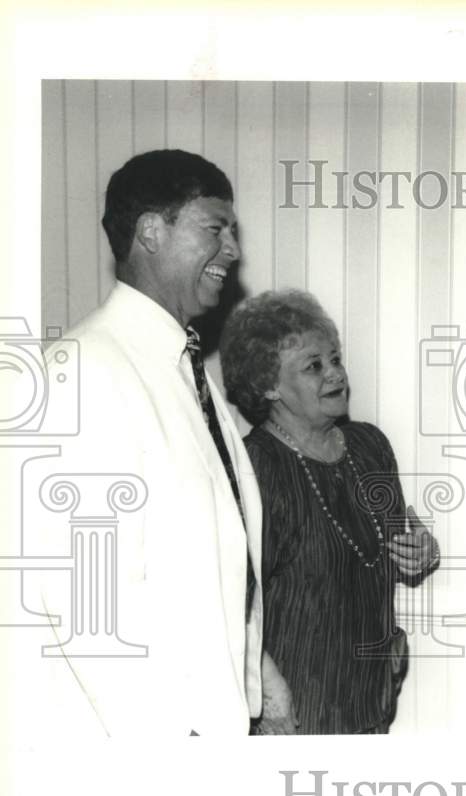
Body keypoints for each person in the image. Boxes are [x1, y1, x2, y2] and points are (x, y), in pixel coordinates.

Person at [32, 149, 275, 736]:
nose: (234, 251)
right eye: (214, 229)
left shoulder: (190, 373)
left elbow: (216, 562)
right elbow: (87, 601)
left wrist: (251, 684)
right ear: (150, 232)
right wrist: (170, 745)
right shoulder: (83, 368)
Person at [220, 289, 439, 734]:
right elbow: (228, 599)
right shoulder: (253, 467)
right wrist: (262, 691)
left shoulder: (369, 446)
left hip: (373, 696)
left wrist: (423, 550)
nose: (335, 373)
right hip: (297, 710)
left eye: (335, 358)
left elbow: (397, 548)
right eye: (313, 366)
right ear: (268, 385)